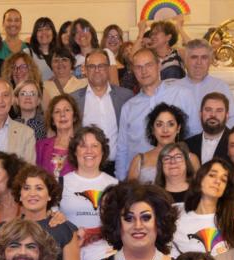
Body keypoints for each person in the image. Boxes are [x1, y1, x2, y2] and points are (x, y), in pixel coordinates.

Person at [80, 181, 179, 260]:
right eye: (128, 218)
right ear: (117, 225)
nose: (138, 226)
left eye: (146, 217)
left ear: (159, 222)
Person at [115, 48, 193, 179]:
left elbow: (194, 136)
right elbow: (122, 149)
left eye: (148, 65)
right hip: (140, 181)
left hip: (177, 177)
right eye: (138, 67)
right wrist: (121, 182)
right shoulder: (129, 107)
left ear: (159, 65)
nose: (143, 71)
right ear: (133, 71)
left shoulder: (181, 95)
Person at [60, 126, 118, 260]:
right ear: (74, 151)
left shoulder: (115, 185)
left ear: (103, 151)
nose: (89, 151)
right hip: (68, 251)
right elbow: (52, 221)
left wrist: (93, 234)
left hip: (103, 253)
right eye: (83, 146)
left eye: (95, 146)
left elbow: (119, 226)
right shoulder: (61, 183)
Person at [14, 164, 80, 260]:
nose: (32, 193)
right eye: (26, 188)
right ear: (20, 195)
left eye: (39, 188)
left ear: (49, 195)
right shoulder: (9, 230)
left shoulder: (65, 230)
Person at [71, 50, 134, 175]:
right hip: (87, 167)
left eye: (101, 66)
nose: (97, 70)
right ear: (85, 70)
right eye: (92, 66)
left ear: (108, 69)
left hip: (119, 167)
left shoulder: (126, 96)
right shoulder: (74, 100)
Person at [169, 39, 234, 137]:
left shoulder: (220, 86)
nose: (199, 62)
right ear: (185, 60)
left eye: (204, 57)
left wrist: (217, 137)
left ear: (210, 61)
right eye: (194, 57)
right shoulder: (173, 88)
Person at [171, 158, 234, 256]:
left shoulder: (230, 220)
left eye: (223, 180)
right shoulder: (176, 211)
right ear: (200, 178)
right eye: (212, 175)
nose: (218, 181)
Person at [128, 103, 198, 184]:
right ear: (153, 129)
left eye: (170, 124)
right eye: (159, 124)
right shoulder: (139, 160)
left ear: (178, 128)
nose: (165, 130)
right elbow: (130, 194)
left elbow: (196, 192)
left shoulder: (191, 159)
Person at [36, 93, 81, 179]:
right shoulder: (40, 146)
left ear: (74, 117)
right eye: (57, 111)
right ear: (52, 120)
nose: (62, 115)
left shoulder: (83, 146)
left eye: (67, 110)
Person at [185, 92, 230, 164]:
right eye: (208, 110)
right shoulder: (187, 145)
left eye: (219, 111)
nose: (213, 115)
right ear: (200, 114)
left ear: (227, 115)